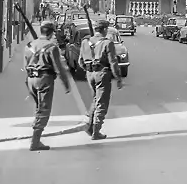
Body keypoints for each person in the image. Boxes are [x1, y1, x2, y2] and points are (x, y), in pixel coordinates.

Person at [24, 20, 71, 151]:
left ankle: (36, 135)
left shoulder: (29, 45)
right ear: (51, 33)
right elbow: (58, 68)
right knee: (44, 109)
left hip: (30, 79)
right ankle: (35, 141)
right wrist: (66, 84)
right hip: (44, 79)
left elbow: (25, 65)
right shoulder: (52, 47)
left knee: (39, 108)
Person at [78, 19, 123, 140]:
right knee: (102, 102)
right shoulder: (107, 43)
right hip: (102, 74)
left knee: (95, 99)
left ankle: (90, 126)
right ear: (104, 30)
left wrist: (88, 70)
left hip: (89, 73)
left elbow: (80, 61)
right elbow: (113, 62)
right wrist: (118, 77)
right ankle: (96, 130)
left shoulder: (85, 42)